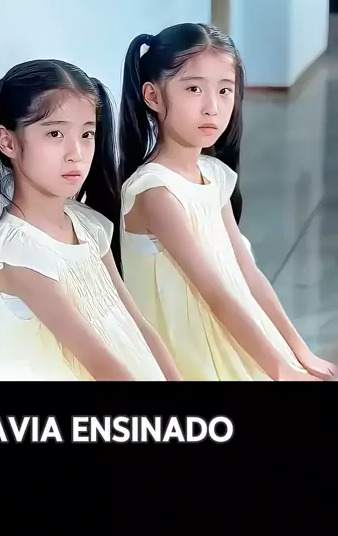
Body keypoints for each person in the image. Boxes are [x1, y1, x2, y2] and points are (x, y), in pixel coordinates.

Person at [118, 22, 336, 382]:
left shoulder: (213, 174)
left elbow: (248, 275)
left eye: (225, 90)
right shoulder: (155, 191)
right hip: (190, 355)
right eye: (193, 89)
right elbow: (214, 293)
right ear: (152, 96)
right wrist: (281, 371)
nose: (212, 108)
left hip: (235, 336)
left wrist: (299, 352)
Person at [0, 58, 182, 381]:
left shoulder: (87, 224)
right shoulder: (18, 253)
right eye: (54, 133)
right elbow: (101, 364)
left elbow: (138, 325)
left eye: (87, 133)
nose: (76, 152)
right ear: (8, 142)